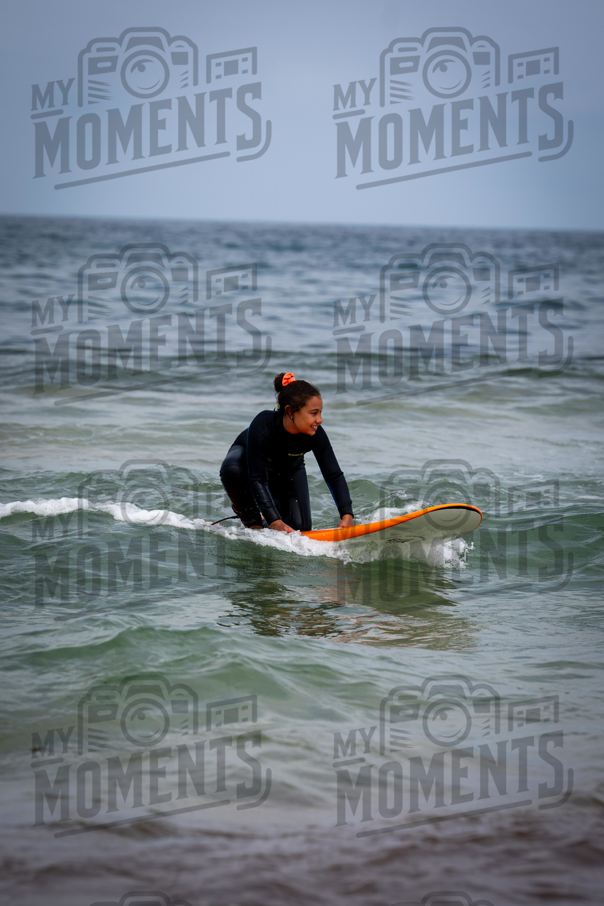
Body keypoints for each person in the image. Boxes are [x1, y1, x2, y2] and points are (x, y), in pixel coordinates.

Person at [220, 372, 355, 533]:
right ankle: (252, 520)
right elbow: (257, 479)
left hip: (289, 469)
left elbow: (333, 475)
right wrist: (275, 521)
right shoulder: (263, 424)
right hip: (248, 464)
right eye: (313, 413)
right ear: (290, 411)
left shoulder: (315, 433)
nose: (320, 420)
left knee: (299, 529)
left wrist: (347, 514)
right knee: (232, 471)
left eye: (320, 412)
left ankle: (267, 519)